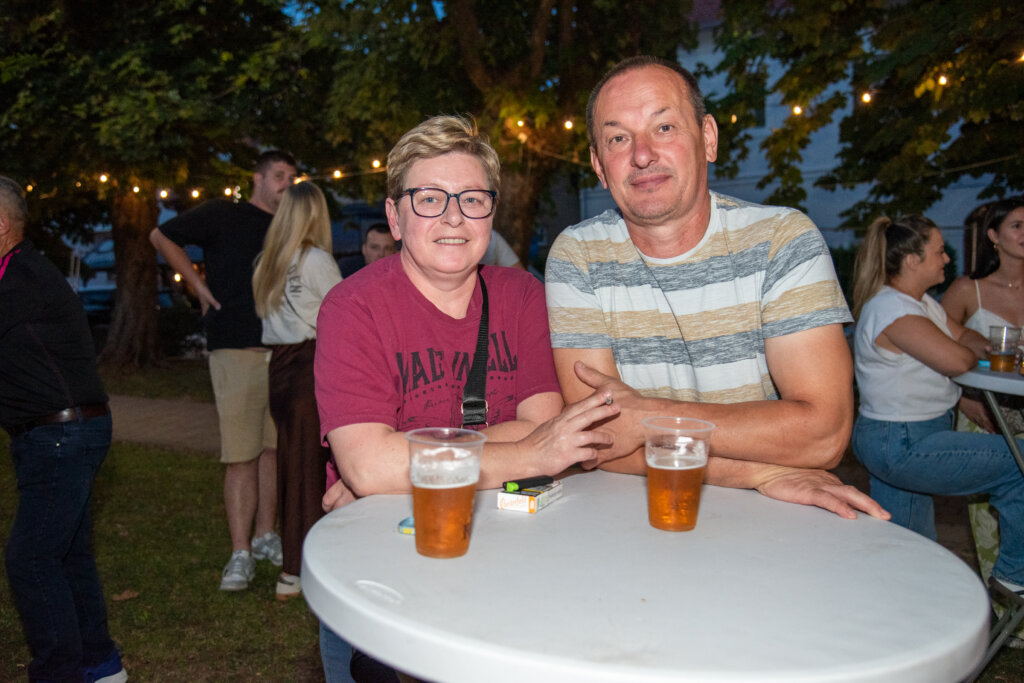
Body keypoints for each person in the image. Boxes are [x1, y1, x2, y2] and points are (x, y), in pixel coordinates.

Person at [313, 115, 619, 682]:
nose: (453, 217)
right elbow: (370, 464)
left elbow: (546, 423)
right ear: (395, 217)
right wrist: (526, 453)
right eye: (429, 198)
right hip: (382, 565)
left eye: (472, 199)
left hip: (510, 561)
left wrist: (404, 461)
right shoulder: (353, 308)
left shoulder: (522, 296)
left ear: (490, 215)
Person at [545, 55, 888, 516]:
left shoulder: (781, 240)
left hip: (772, 521)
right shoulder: (578, 255)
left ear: (708, 138)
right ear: (599, 166)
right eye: (618, 138)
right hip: (636, 516)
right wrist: (761, 472)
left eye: (664, 127)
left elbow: (824, 434)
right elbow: (600, 443)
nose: (642, 155)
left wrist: (646, 419)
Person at [849, 213, 1024, 595]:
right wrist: (971, 350)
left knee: (908, 549)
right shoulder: (893, 310)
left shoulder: (920, 304)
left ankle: (892, 610)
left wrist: (990, 347)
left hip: (904, 435)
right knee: (1019, 461)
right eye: (940, 251)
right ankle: (1016, 575)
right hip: (903, 441)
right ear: (913, 260)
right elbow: (957, 360)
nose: (947, 258)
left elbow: (965, 337)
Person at [150, 150, 297, 591]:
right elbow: (161, 235)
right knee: (241, 454)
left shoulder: (289, 226)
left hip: (283, 352)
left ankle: (265, 535)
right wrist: (197, 285)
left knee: (273, 452)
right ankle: (240, 553)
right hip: (236, 349)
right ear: (257, 178)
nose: (286, 184)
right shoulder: (222, 214)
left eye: (291, 177)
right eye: (278, 175)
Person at [0, 175, 127, 682]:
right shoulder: (16, 273)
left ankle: (60, 671)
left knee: (31, 557)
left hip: (61, 435)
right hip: (59, 433)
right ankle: (100, 664)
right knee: (66, 552)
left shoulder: (22, 279)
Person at [252, 182, 341, 600]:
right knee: (309, 469)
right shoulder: (316, 260)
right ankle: (300, 568)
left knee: (292, 465)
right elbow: (345, 312)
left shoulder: (266, 262)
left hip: (279, 369)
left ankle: (297, 562)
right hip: (308, 365)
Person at [941, 196, 1024, 641]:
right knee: (991, 520)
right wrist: (961, 400)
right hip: (984, 415)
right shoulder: (965, 290)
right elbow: (931, 351)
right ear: (993, 235)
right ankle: (1005, 621)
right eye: (1017, 225)